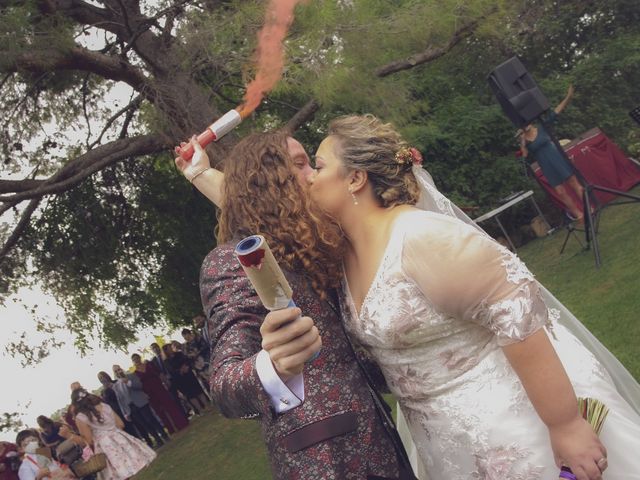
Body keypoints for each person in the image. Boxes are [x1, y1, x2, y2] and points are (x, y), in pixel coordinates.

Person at [305, 113, 640, 479]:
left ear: (355, 178)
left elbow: (514, 308)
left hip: (515, 429)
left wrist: (565, 424)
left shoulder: (420, 237)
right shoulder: (344, 259)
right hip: (448, 446)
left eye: (318, 166)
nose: (308, 178)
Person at [181, 133, 413, 479]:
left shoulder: (312, 244)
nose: (312, 175)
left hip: (380, 441)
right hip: (324, 461)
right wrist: (272, 366)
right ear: (268, 180)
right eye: (301, 164)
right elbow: (225, 386)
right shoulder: (231, 261)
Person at [519, 85, 586, 221]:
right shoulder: (524, 139)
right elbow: (524, 155)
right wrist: (522, 141)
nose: (526, 125)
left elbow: (556, 111)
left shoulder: (542, 128)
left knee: (573, 183)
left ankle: (589, 207)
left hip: (556, 157)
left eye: (527, 123)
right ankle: (579, 214)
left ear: (531, 123)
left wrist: (568, 97)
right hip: (546, 165)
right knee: (560, 191)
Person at [71, 388, 156, 480]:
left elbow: (88, 441)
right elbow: (120, 424)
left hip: (105, 445)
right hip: (119, 437)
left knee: (119, 474)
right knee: (128, 468)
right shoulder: (104, 406)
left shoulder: (81, 417)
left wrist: (70, 436)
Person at [111, 365, 168, 448]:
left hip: (140, 402)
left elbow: (140, 386)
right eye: (116, 371)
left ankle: (164, 435)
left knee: (151, 420)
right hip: (131, 407)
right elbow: (120, 400)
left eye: (119, 369)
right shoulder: (115, 386)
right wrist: (125, 413)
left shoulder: (131, 376)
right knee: (144, 424)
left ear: (122, 369)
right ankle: (158, 439)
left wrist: (128, 382)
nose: (118, 372)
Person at [131, 353, 189, 434]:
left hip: (159, 387)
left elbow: (159, 373)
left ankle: (181, 423)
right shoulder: (135, 373)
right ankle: (171, 429)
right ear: (133, 362)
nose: (136, 360)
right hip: (149, 392)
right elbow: (139, 385)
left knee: (170, 405)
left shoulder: (149, 364)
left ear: (140, 358)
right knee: (160, 411)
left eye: (137, 358)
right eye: (134, 360)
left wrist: (165, 381)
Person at [160, 344, 208, 416]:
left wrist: (186, 367)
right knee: (191, 395)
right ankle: (200, 409)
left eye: (171, 347)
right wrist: (181, 370)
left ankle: (207, 407)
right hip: (181, 379)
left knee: (199, 391)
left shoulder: (179, 354)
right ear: (165, 351)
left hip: (189, 374)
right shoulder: (166, 361)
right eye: (168, 348)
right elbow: (171, 370)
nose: (170, 349)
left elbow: (187, 360)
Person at [96, 372, 140, 440]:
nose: (102, 379)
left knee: (137, 425)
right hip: (116, 412)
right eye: (100, 378)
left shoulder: (116, 383)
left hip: (125, 407)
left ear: (106, 376)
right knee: (127, 429)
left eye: (102, 377)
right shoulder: (103, 391)